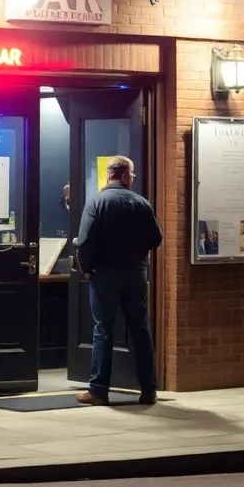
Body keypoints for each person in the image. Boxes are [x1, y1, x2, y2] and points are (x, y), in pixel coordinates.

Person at [74, 156, 162, 407]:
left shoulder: (96, 202)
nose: (132, 178)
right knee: (140, 331)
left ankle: (99, 391)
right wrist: (137, 254)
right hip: (135, 274)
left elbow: (85, 240)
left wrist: (87, 269)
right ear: (124, 175)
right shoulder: (142, 203)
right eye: (132, 175)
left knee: (103, 330)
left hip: (104, 276)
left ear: (110, 175)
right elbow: (156, 238)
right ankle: (148, 390)